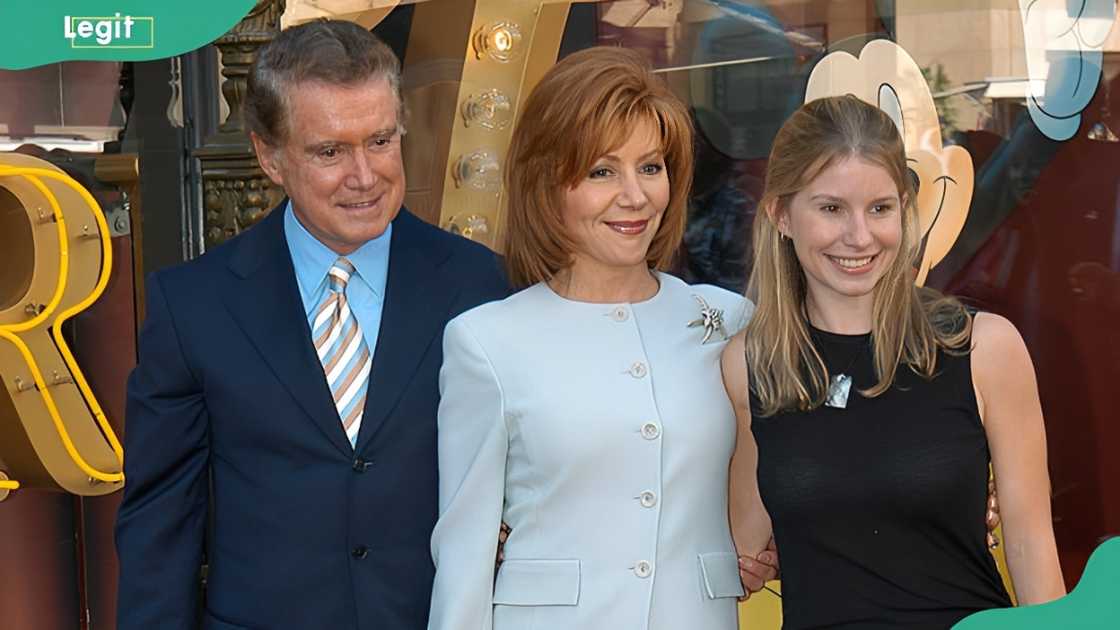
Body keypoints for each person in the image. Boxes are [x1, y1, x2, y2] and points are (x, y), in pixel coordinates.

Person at [114, 21, 508, 630]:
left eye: (380, 141)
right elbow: (159, 527)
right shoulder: (194, 304)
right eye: (330, 151)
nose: (365, 175)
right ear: (269, 157)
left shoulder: (479, 286)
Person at [427, 46, 774, 630]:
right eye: (601, 171)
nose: (635, 196)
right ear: (547, 182)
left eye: (651, 167)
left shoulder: (729, 322)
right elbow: (464, 552)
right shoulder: (485, 342)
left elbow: (795, 473)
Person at [723, 95, 1066, 629]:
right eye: (831, 208)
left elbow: (1030, 543)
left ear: (906, 210)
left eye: (880, 208)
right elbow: (740, 548)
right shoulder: (750, 363)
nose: (859, 236)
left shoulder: (984, 350)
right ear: (781, 214)